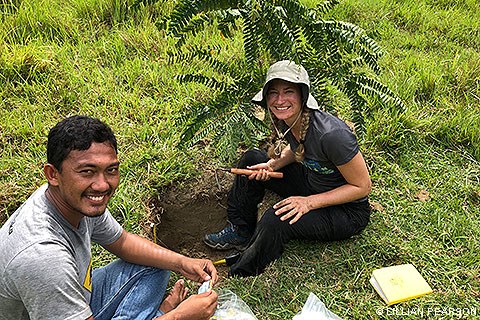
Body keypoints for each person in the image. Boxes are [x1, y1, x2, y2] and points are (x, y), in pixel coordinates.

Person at [0, 115, 218, 319]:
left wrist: (183, 263)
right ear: (53, 174)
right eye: (87, 171)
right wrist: (180, 316)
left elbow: (122, 241)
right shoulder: (43, 256)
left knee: (158, 263)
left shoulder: (73, 199)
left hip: (77, 293)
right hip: (54, 303)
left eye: (111, 170)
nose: (102, 185)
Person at [204, 60, 372, 277]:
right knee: (251, 160)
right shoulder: (288, 118)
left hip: (346, 211)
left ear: (303, 95)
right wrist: (273, 165)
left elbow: (362, 186)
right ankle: (240, 230)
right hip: (312, 182)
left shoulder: (333, 136)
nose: (280, 100)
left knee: (277, 217)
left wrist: (308, 203)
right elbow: (299, 148)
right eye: (273, 93)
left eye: (288, 91)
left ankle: (243, 269)